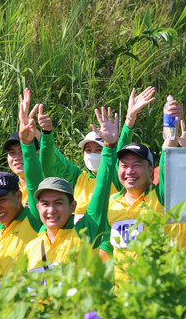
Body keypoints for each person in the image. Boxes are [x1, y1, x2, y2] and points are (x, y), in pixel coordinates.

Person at [105, 95, 186, 282]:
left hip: (154, 290)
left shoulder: (160, 197)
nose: (129, 171)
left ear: (150, 169)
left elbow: (167, 159)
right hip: (121, 293)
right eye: (124, 165)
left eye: (137, 165)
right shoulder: (111, 202)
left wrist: (171, 128)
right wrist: (130, 118)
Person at [22, 102, 119, 270]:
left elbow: (102, 188)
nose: (51, 210)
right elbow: (37, 178)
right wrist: (30, 142)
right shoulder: (31, 247)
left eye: (58, 203)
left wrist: (110, 147)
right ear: (37, 207)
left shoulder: (85, 233)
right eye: (45, 203)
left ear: (72, 206)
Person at [35, 87, 155, 220]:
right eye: (88, 150)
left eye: (99, 150)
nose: (93, 154)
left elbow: (120, 147)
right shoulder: (77, 177)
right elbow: (51, 161)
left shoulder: (114, 175)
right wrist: (45, 134)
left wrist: (130, 119)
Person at [2, 131, 41, 205]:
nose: (17, 157)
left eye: (22, 151)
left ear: (38, 154)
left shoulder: (46, 185)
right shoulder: (10, 191)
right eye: (12, 152)